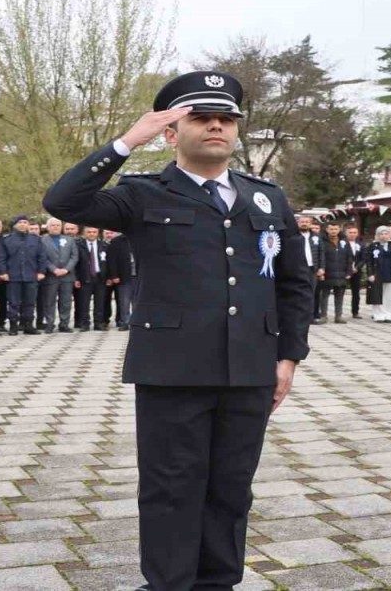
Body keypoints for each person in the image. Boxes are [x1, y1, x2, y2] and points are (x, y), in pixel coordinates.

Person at [43, 70, 313, 591]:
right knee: (171, 487)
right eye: (201, 118)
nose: (216, 127)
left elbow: (294, 283)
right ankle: (167, 583)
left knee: (232, 487)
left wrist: (288, 356)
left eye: (226, 119)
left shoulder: (266, 198)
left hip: (250, 366)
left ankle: (218, 582)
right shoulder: (143, 193)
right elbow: (64, 203)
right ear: (171, 132)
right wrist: (125, 142)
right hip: (173, 368)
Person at [0, 215, 48, 335]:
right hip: (13, 276)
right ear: (15, 225)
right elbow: (0, 257)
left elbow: (42, 257)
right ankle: (13, 326)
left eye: (25, 222)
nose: (23, 224)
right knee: (13, 302)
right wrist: (2, 272)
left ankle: (28, 325)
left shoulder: (36, 239)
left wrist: (41, 272)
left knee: (30, 301)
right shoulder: (6, 239)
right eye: (20, 222)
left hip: (31, 275)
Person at [39, 217, 78, 333]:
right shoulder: (42, 241)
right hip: (51, 276)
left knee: (66, 301)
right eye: (53, 225)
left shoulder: (69, 240)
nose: (55, 227)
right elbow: (42, 257)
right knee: (49, 301)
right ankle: (50, 323)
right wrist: (53, 269)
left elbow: (74, 256)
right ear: (48, 227)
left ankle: (64, 324)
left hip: (67, 276)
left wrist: (66, 269)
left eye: (58, 225)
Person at [364, 226, 391, 323]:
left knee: (390, 296)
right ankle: (379, 315)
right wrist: (370, 274)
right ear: (377, 235)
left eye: (386, 234)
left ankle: (389, 315)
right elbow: (369, 261)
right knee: (378, 295)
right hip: (378, 273)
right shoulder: (373, 246)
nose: (384, 236)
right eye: (381, 234)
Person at [74, 226, 109, 331]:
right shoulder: (79, 246)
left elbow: (109, 263)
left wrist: (109, 277)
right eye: (89, 232)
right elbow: (76, 264)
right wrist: (76, 279)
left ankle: (98, 323)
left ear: (98, 233)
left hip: (100, 278)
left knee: (100, 302)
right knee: (84, 302)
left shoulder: (104, 246)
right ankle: (85, 324)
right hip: (85, 278)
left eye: (94, 232)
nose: (91, 234)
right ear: (84, 233)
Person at [317, 222, 353, 323]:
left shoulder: (344, 241)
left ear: (339, 229)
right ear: (327, 230)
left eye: (335, 229)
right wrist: (321, 270)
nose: (333, 231)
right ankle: (323, 315)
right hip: (327, 273)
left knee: (339, 295)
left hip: (341, 273)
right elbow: (320, 256)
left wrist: (349, 271)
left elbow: (349, 257)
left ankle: (338, 316)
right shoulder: (322, 241)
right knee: (324, 295)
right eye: (331, 229)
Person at [107, 230, 137, 330]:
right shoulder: (117, 241)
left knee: (137, 301)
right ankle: (125, 322)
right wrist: (114, 275)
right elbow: (112, 259)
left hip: (139, 276)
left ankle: (136, 322)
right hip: (124, 276)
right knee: (124, 301)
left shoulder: (141, 238)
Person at [297, 216, 324, 324]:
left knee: (311, 293)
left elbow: (321, 253)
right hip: (298, 269)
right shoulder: (294, 236)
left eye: (307, 222)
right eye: (302, 222)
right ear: (298, 223)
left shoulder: (316, 237)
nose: (304, 224)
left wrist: (321, 267)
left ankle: (310, 317)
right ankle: (298, 317)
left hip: (312, 268)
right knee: (298, 293)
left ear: (311, 224)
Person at [345, 226, 364, 318]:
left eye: (354, 232)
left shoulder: (361, 244)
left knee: (356, 292)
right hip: (344, 271)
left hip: (356, 271)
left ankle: (355, 311)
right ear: (346, 233)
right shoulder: (342, 243)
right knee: (339, 291)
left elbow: (364, 258)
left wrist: (357, 267)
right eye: (350, 232)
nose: (352, 234)